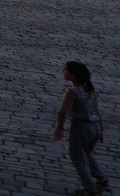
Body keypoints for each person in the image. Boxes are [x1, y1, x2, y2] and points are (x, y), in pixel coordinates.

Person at [51, 60, 108, 196]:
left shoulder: (73, 91)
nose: (63, 71)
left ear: (73, 76)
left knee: (78, 157)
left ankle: (89, 188)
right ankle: (101, 178)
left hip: (81, 126)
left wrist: (60, 128)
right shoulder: (89, 88)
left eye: (66, 70)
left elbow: (63, 112)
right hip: (94, 126)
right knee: (88, 153)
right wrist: (101, 130)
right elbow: (97, 110)